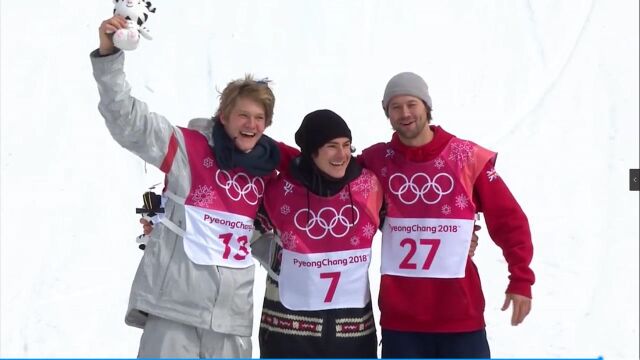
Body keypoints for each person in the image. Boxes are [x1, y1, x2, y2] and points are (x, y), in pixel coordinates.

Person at [91, 15, 297, 358]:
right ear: (224, 116)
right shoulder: (188, 149)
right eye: (243, 115)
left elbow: (257, 237)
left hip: (231, 321)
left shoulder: (265, 172)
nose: (251, 124)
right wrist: (110, 56)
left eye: (259, 118)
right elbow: (126, 120)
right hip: (176, 312)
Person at [359, 72, 535, 358]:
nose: (404, 113)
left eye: (411, 104)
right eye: (395, 107)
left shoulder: (468, 158)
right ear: (387, 113)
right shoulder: (375, 161)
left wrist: (521, 279)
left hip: (460, 316)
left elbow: (510, 221)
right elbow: (329, 180)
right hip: (401, 320)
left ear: (426, 106)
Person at [252, 110, 381, 358]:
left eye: (346, 145)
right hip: (286, 331)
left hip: (352, 334)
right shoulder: (282, 189)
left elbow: (404, 224)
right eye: (331, 146)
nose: (342, 155)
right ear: (312, 151)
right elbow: (246, 228)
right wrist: (280, 263)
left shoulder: (368, 186)